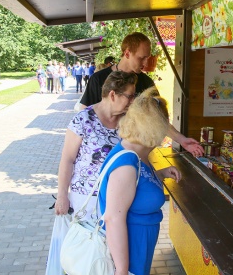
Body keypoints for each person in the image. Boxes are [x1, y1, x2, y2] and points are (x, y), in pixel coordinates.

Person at [98, 87, 182, 275]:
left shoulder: (136, 153)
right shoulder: (126, 165)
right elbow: (113, 219)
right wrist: (122, 270)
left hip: (138, 248)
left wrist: (161, 173)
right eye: (164, 125)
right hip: (130, 254)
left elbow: (137, 188)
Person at [80, 32, 204, 157]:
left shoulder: (146, 83)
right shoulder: (98, 79)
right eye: (141, 58)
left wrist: (182, 140)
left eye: (148, 58)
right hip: (102, 155)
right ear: (127, 53)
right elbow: (85, 116)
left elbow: (158, 118)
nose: (145, 63)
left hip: (136, 156)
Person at [54, 71, 139, 220]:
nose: (133, 101)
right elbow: (67, 159)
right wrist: (62, 195)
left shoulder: (130, 121)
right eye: (129, 96)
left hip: (121, 200)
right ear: (112, 95)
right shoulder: (83, 119)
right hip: (86, 200)